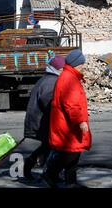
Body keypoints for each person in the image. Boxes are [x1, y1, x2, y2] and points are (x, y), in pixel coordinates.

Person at [42, 49, 92, 188]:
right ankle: (50, 175)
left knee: (74, 153)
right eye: (82, 63)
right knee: (70, 153)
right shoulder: (69, 78)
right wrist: (80, 121)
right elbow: (71, 104)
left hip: (65, 122)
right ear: (76, 64)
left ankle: (71, 182)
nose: (83, 66)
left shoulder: (68, 76)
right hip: (68, 124)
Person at [23, 55, 66, 181]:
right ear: (58, 69)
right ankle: (47, 171)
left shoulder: (47, 79)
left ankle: (42, 169)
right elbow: (49, 103)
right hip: (43, 121)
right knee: (53, 146)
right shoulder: (51, 82)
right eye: (63, 69)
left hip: (40, 119)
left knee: (48, 146)